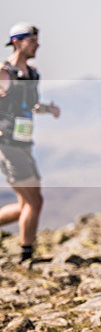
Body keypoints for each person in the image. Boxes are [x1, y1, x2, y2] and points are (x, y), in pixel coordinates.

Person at [0, 22, 60, 263]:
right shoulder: (5, 73)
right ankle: (27, 255)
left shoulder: (32, 74)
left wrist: (48, 109)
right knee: (35, 200)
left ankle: (27, 253)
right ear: (17, 42)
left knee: (25, 203)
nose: (37, 45)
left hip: (24, 142)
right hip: (7, 143)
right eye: (32, 41)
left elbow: (31, 104)